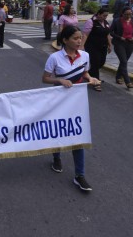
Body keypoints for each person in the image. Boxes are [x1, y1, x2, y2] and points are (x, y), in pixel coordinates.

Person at [42, 25, 100, 192]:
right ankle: (56, 157)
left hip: (77, 102)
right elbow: (45, 79)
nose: (79, 41)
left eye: (80, 38)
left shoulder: (85, 56)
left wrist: (91, 78)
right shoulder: (54, 58)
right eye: (75, 38)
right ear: (65, 40)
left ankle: (79, 175)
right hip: (58, 101)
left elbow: (85, 73)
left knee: (77, 136)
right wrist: (60, 81)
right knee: (58, 131)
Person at [82, 8, 112, 91]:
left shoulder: (105, 23)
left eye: (106, 16)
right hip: (92, 46)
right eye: (103, 15)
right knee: (95, 63)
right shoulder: (91, 22)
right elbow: (85, 35)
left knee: (102, 62)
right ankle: (96, 82)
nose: (105, 17)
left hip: (103, 47)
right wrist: (81, 46)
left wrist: (110, 45)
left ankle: (90, 74)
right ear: (98, 14)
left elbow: (107, 34)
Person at [110, 6, 133, 89]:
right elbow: (111, 31)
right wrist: (119, 37)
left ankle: (118, 77)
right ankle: (128, 82)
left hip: (130, 43)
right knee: (123, 61)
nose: (128, 16)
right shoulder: (117, 21)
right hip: (120, 43)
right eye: (126, 14)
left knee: (124, 61)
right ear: (122, 14)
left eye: (130, 14)